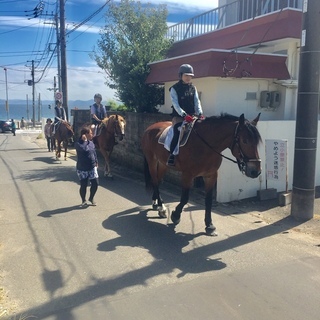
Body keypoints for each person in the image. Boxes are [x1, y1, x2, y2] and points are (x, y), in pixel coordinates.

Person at [167, 64, 204, 166]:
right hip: (179, 116)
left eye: (190, 76)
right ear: (180, 75)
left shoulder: (193, 88)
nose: (188, 78)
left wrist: (200, 113)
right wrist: (183, 115)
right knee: (179, 130)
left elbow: (197, 102)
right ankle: (172, 155)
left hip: (192, 116)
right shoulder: (174, 89)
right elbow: (176, 104)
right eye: (186, 75)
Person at [75, 125, 99, 207]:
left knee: (95, 183)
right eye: (91, 133)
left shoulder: (91, 143)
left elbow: (94, 152)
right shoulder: (78, 144)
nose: (92, 135)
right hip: (82, 168)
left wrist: (96, 161)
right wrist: (84, 141)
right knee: (83, 185)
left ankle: (91, 198)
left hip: (92, 167)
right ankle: (83, 200)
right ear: (85, 134)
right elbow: (85, 150)